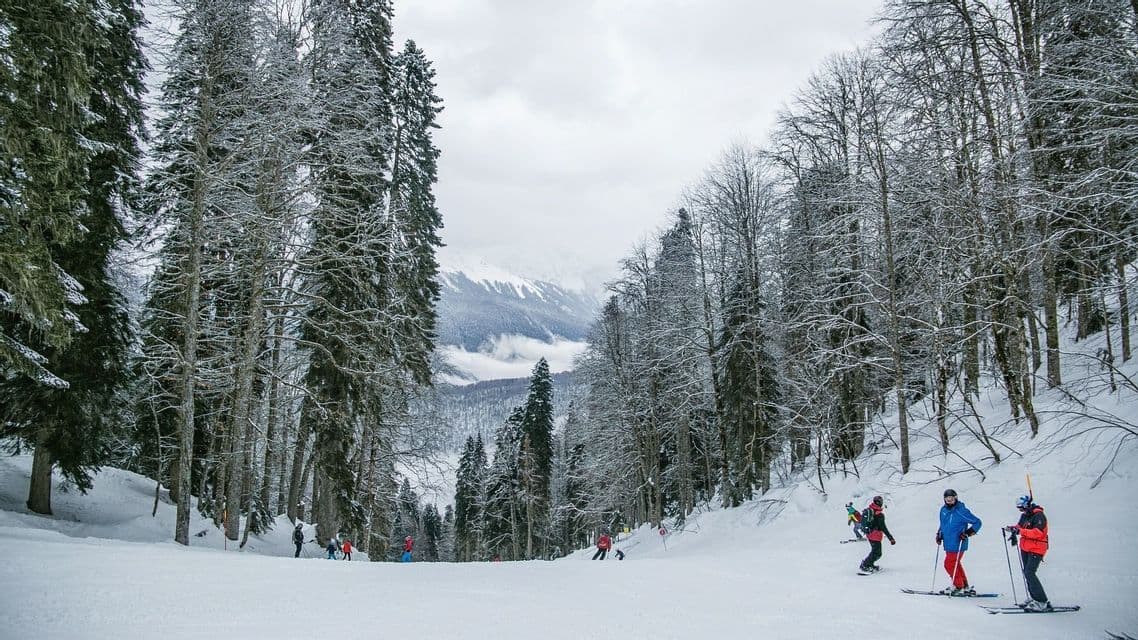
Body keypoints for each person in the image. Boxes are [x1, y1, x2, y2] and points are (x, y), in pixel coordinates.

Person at [1005, 495, 1051, 611]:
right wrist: (1012, 528)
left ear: (1027, 505)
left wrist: (1020, 531)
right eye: (1019, 508)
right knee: (1027, 573)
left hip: (1037, 548)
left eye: (1021, 508)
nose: (1020, 510)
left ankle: (1042, 601)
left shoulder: (1039, 516)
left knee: (1030, 573)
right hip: (1026, 547)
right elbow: (1020, 527)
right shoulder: (1024, 515)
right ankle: (1034, 597)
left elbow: (1038, 533)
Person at [936, 488, 982, 595]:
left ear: (956, 498)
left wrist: (968, 533)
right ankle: (964, 585)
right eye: (947, 499)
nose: (949, 501)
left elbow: (977, 522)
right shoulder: (943, 510)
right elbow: (943, 524)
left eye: (951, 499)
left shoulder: (961, 510)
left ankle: (958, 586)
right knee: (955, 563)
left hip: (958, 542)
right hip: (948, 542)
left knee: (949, 564)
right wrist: (939, 535)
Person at [858, 495, 896, 573]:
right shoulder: (879, 514)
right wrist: (890, 538)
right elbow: (883, 527)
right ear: (879, 503)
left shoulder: (871, 510)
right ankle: (865, 565)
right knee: (877, 553)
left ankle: (869, 564)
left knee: (875, 552)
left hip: (870, 534)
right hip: (875, 535)